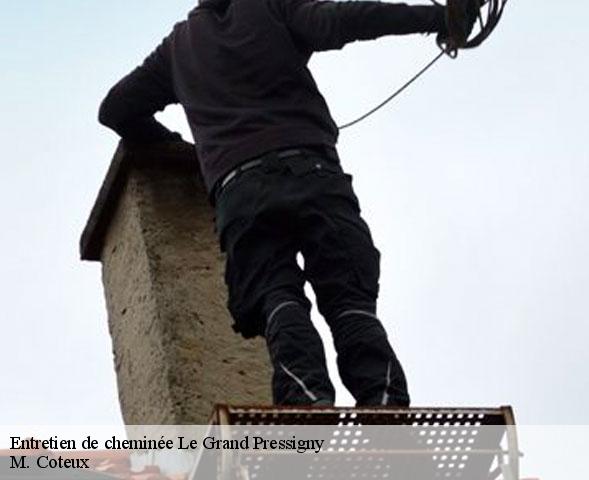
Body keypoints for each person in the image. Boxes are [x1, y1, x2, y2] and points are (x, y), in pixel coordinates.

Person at [99, 0, 478, 407]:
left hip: (239, 193)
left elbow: (116, 109)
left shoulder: (178, 48)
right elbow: (345, 20)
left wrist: (169, 144)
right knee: (348, 299)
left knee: (276, 298)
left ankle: (306, 405)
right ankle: (385, 408)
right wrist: (438, 18)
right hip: (312, 173)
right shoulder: (271, 6)